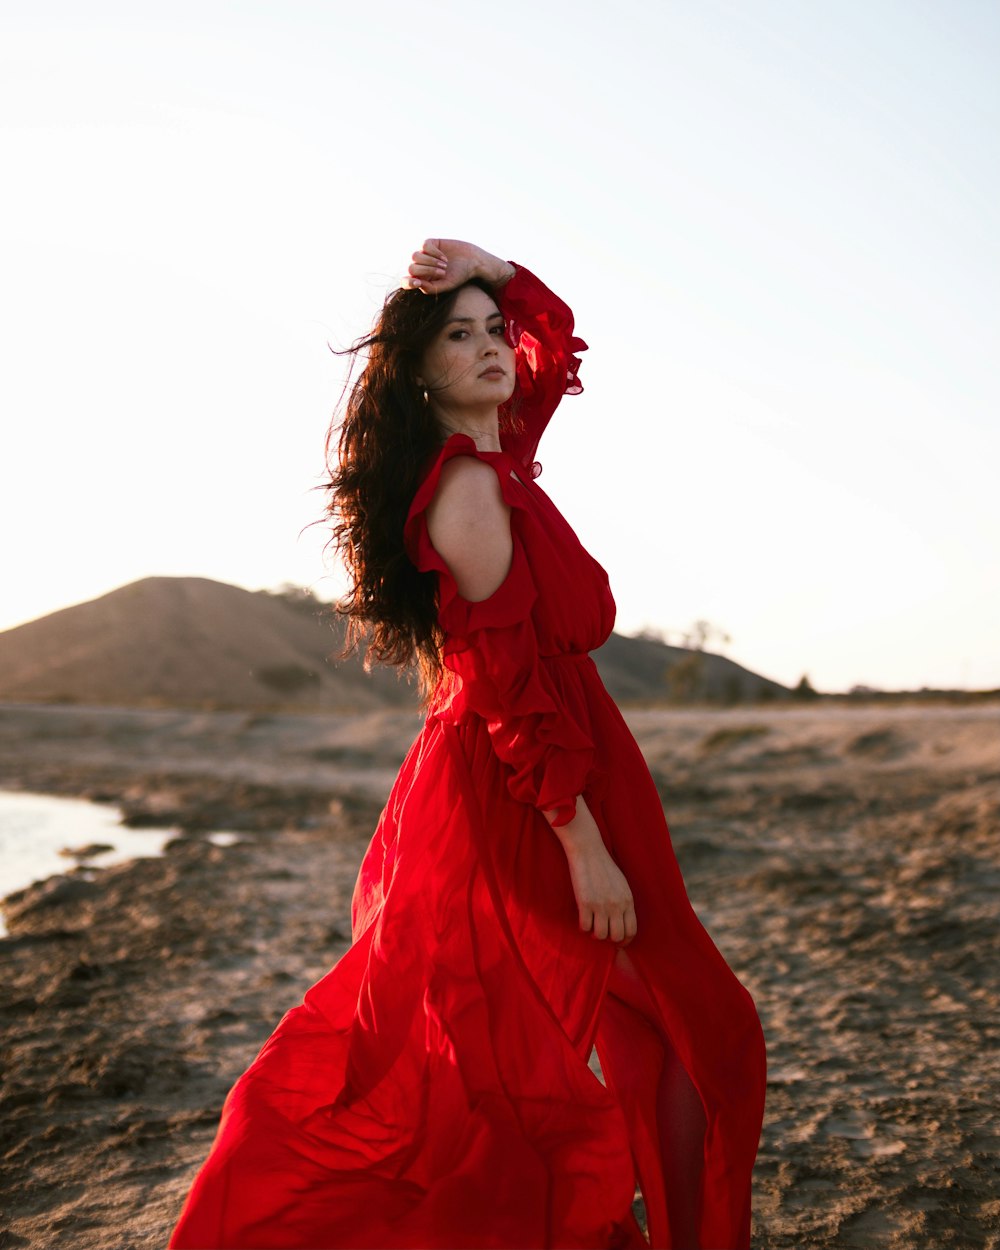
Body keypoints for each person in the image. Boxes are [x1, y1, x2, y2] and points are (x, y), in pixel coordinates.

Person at [168, 239, 766, 1250]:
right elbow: (504, 685)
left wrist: (489, 267)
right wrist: (583, 844)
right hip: (535, 783)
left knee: (654, 1027)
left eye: (495, 331)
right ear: (418, 369)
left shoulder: (498, 459)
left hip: (562, 763)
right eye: (460, 336)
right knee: (700, 1026)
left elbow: (552, 342)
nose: (493, 349)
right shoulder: (469, 489)